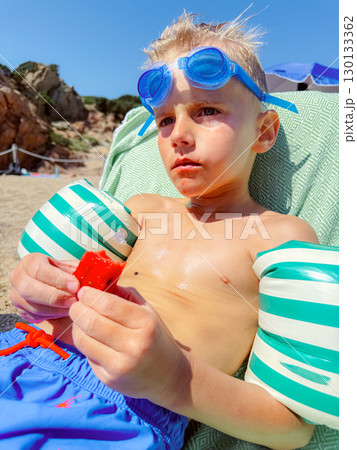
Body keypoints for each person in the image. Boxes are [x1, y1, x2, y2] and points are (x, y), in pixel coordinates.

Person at [3, 12, 319, 449]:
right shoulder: (140, 210)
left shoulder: (280, 236)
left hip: (116, 413)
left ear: (263, 132)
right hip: (20, 354)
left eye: (208, 110)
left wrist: (173, 378)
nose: (179, 136)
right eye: (166, 120)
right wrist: (33, 285)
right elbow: (61, 285)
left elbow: (294, 427)